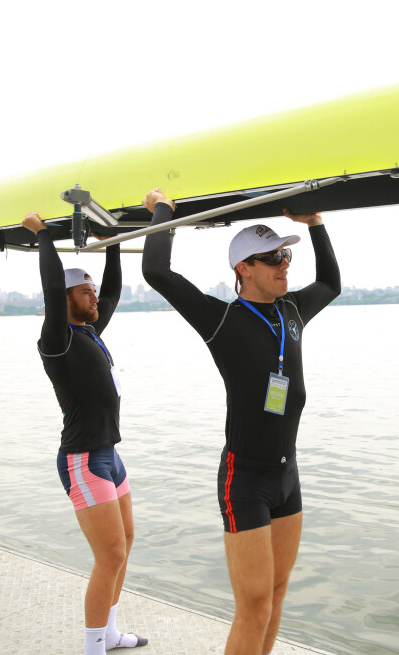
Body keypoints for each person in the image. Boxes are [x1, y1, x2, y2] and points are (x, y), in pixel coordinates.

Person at [141, 188, 340, 655]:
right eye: (272, 258)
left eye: (285, 254)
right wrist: (163, 211)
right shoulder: (220, 320)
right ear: (243, 269)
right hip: (244, 478)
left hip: (288, 475)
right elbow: (155, 271)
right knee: (252, 606)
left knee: (275, 595)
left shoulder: (292, 311)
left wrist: (316, 224)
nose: (284, 264)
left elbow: (331, 282)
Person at [21, 213, 147, 654]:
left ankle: (109, 634)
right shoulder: (57, 339)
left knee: (125, 545)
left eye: (92, 290)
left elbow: (112, 290)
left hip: (110, 455)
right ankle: (94, 647)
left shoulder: (90, 329)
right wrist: (42, 234)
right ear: (66, 299)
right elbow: (53, 290)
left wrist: (113, 243)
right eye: (84, 292)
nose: (95, 297)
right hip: (81, 459)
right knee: (109, 555)